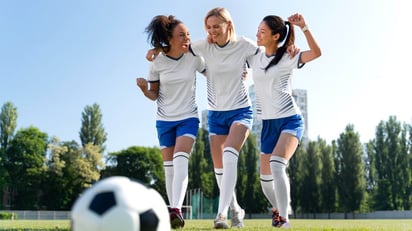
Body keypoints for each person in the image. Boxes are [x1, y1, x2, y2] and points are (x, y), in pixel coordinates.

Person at [248, 13, 321, 228]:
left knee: (277, 165)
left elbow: (317, 53)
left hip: (290, 120)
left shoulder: (289, 56)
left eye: (262, 32)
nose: (257, 35)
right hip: (268, 124)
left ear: (275, 35)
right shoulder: (255, 56)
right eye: (258, 30)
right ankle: (279, 208)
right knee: (264, 182)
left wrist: (304, 27)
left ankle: (284, 221)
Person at [136, 15, 206, 229]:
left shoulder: (194, 56)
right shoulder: (157, 62)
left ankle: (174, 209)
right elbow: (154, 95)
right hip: (165, 120)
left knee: (180, 159)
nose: (187, 38)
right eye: (182, 35)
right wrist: (143, 89)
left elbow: (213, 73)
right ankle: (172, 209)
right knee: (169, 168)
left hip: (188, 117)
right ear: (169, 38)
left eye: (188, 34)